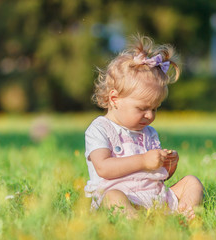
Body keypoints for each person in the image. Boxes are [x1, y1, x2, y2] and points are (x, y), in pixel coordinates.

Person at [84, 35, 204, 219]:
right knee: (112, 198)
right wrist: (143, 161)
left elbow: (157, 176)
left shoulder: (149, 132)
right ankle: (138, 223)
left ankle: (184, 217)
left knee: (192, 182)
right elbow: (103, 168)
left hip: (154, 197)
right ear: (115, 99)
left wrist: (167, 165)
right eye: (142, 108)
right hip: (121, 195)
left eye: (155, 108)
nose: (150, 115)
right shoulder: (99, 129)